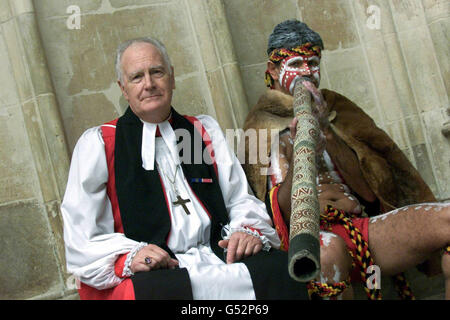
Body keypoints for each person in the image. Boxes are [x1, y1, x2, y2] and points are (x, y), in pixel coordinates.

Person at [61, 37, 308, 300]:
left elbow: (239, 198)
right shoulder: (100, 144)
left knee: (280, 270)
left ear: (172, 78)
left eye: (157, 72)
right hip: (158, 269)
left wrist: (245, 230)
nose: (149, 84)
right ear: (123, 89)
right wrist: (130, 256)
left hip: (218, 251)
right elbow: (82, 235)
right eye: (136, 77)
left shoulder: (202, 132)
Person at [242, 19, 450, 299]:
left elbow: (370, 193)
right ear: (273, 70)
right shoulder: (259, 126)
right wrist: (302, 151)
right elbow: (279, 214)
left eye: (313, 62)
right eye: (295, 65)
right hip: (311, 242)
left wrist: (326, 130)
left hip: (362, 227)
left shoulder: (337, 108)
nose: (307, 73)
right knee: (329, 252)